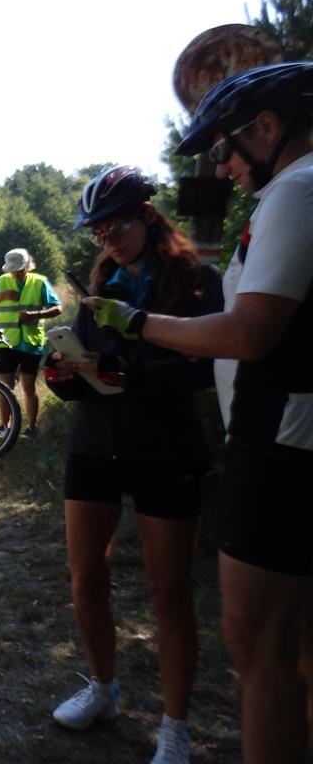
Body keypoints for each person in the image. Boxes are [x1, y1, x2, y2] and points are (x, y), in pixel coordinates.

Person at [86, 62, 313, 763]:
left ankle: (177, 729)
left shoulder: (294, 192)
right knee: (292, 652)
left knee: (263, 654)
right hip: (274, 437)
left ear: (267, 128)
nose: (222, 165)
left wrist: (139, 326)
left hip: (275, 445)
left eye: (225, 147)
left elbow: (245, 333)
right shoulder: (293, 192)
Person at [45, 166, 223, 764]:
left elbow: (204, 368)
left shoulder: (197, 282)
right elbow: (88, 374)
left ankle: (175, 727)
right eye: (99, 234)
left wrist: (127, 371)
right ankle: (103, 689)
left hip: (166, 446)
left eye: (116, 228)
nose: (108, 242)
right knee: (84, 579)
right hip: (96, 443)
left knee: (169, 593)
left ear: (148, 216)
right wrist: (64, 375)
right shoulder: (103, 284)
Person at [0, 248, 61, 439]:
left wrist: (35, 314)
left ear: (27, 266)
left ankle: (32, 429)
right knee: (5, 387)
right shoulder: (2, 281)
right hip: (7, 342)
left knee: (28, 387)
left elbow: (57, 308)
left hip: (31, 343)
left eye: (19, 269)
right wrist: (3, 295)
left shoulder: (39, 282)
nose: (15, 273)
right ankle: (4, 428)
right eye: (12, 270)